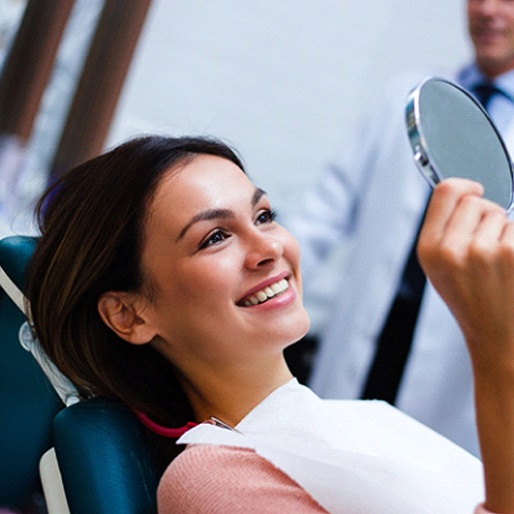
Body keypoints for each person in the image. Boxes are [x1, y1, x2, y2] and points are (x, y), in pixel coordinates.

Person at [24, 134, 514, 512]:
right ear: (129, 314)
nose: (268, 249)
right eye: (215, 236)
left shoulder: (367, 419)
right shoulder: (214, 480)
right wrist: (496, 349)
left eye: (263, 215)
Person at [285, 0, 514, 457]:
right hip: (364, 341)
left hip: (455, 374)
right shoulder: (403, 96)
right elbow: (324, 213)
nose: (488, 10)